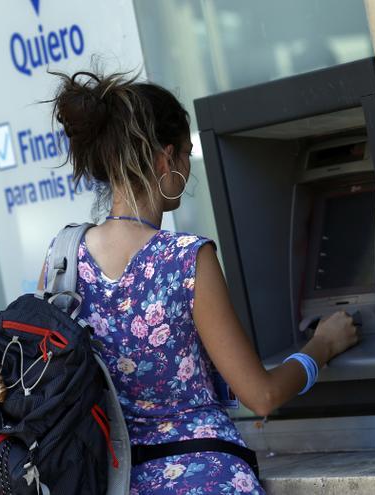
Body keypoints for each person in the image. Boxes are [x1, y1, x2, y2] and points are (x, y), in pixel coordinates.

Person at [38, 71, 358, 494]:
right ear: (165, 159)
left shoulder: (63, 259)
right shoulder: (187, 258)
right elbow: (260, 396)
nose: (188, 170)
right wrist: (323, 346)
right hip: (207, 477)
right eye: (186, 154)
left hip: (115, 482)